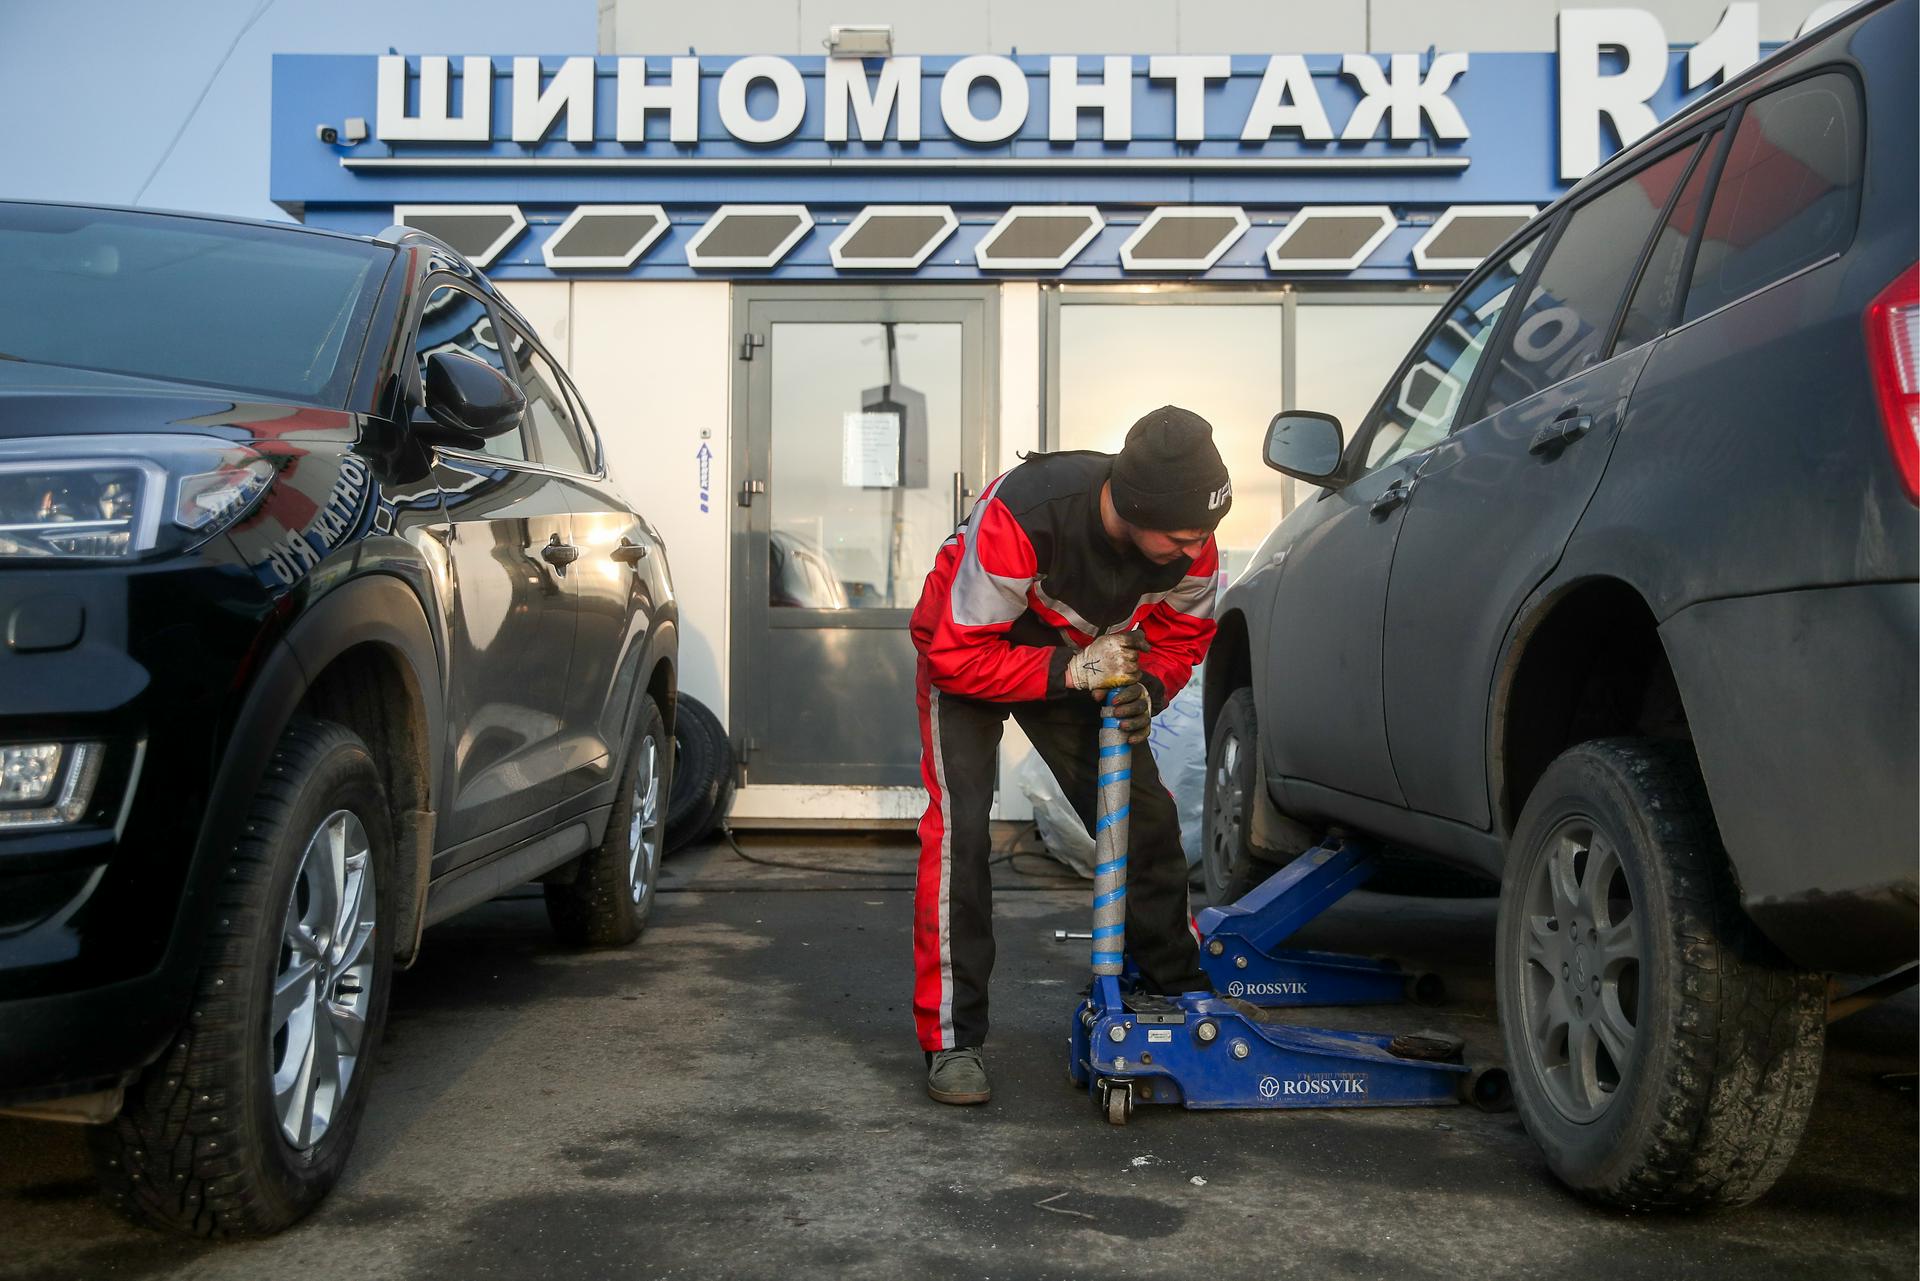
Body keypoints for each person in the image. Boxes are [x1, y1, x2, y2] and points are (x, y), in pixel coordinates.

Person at [907, 404, 1233, 1105]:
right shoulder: (1027, 514)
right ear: (1139, 510)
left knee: (1142, 814)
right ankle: (952, 1040)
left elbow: (1182, 636)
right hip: (966, 650)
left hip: (1080, 651)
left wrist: (1149, 687)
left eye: (1203, 534)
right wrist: (1071, 672)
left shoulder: (1189, 541)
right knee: (962, 833)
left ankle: (1172, 987)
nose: (1196, 550)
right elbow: (958, 655)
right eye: (1180, 537)